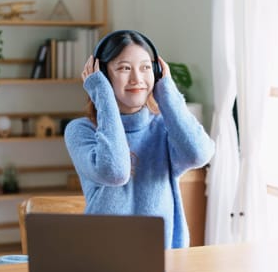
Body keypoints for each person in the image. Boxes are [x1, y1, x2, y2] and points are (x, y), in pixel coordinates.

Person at [64, 30, 215, 249]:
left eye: (145, 67)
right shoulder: (81, 131)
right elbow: (115, 172)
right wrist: (102, 95)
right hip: (101, 258)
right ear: (103, 76)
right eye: (124, 68)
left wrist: (166, 92)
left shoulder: (164, 128)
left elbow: (199, 154)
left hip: (164, 260)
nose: (137, 79)